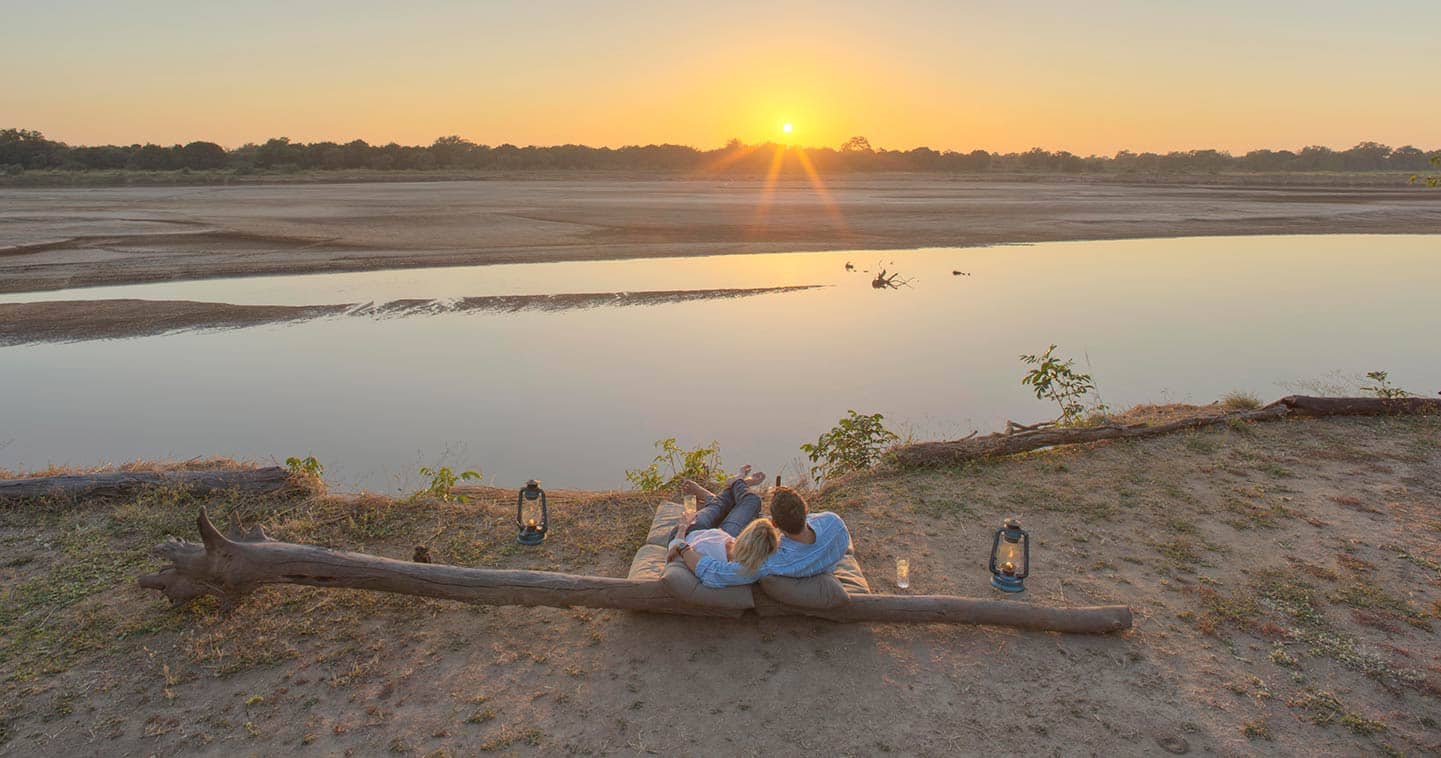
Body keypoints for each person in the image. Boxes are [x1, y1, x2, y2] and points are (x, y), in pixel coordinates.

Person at [672, 479, 850, 588]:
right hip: (729, 537)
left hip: (697, 533)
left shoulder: (769, 562)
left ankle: (718, 497)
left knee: (729, 508)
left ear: (774, 523)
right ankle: (718, 496)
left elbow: (713, 571)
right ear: (805, 511)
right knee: (747, 504)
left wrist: (682, 544)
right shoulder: (834, 524)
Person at [665, 512, 780, 576]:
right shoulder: (751, 558)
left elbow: (674, 554)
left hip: (687, 533)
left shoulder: (704, 552)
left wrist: (683, 526)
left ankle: (714, 495)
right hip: (717, 532)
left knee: (717, 506)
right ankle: (730, 486)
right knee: (749, 502)